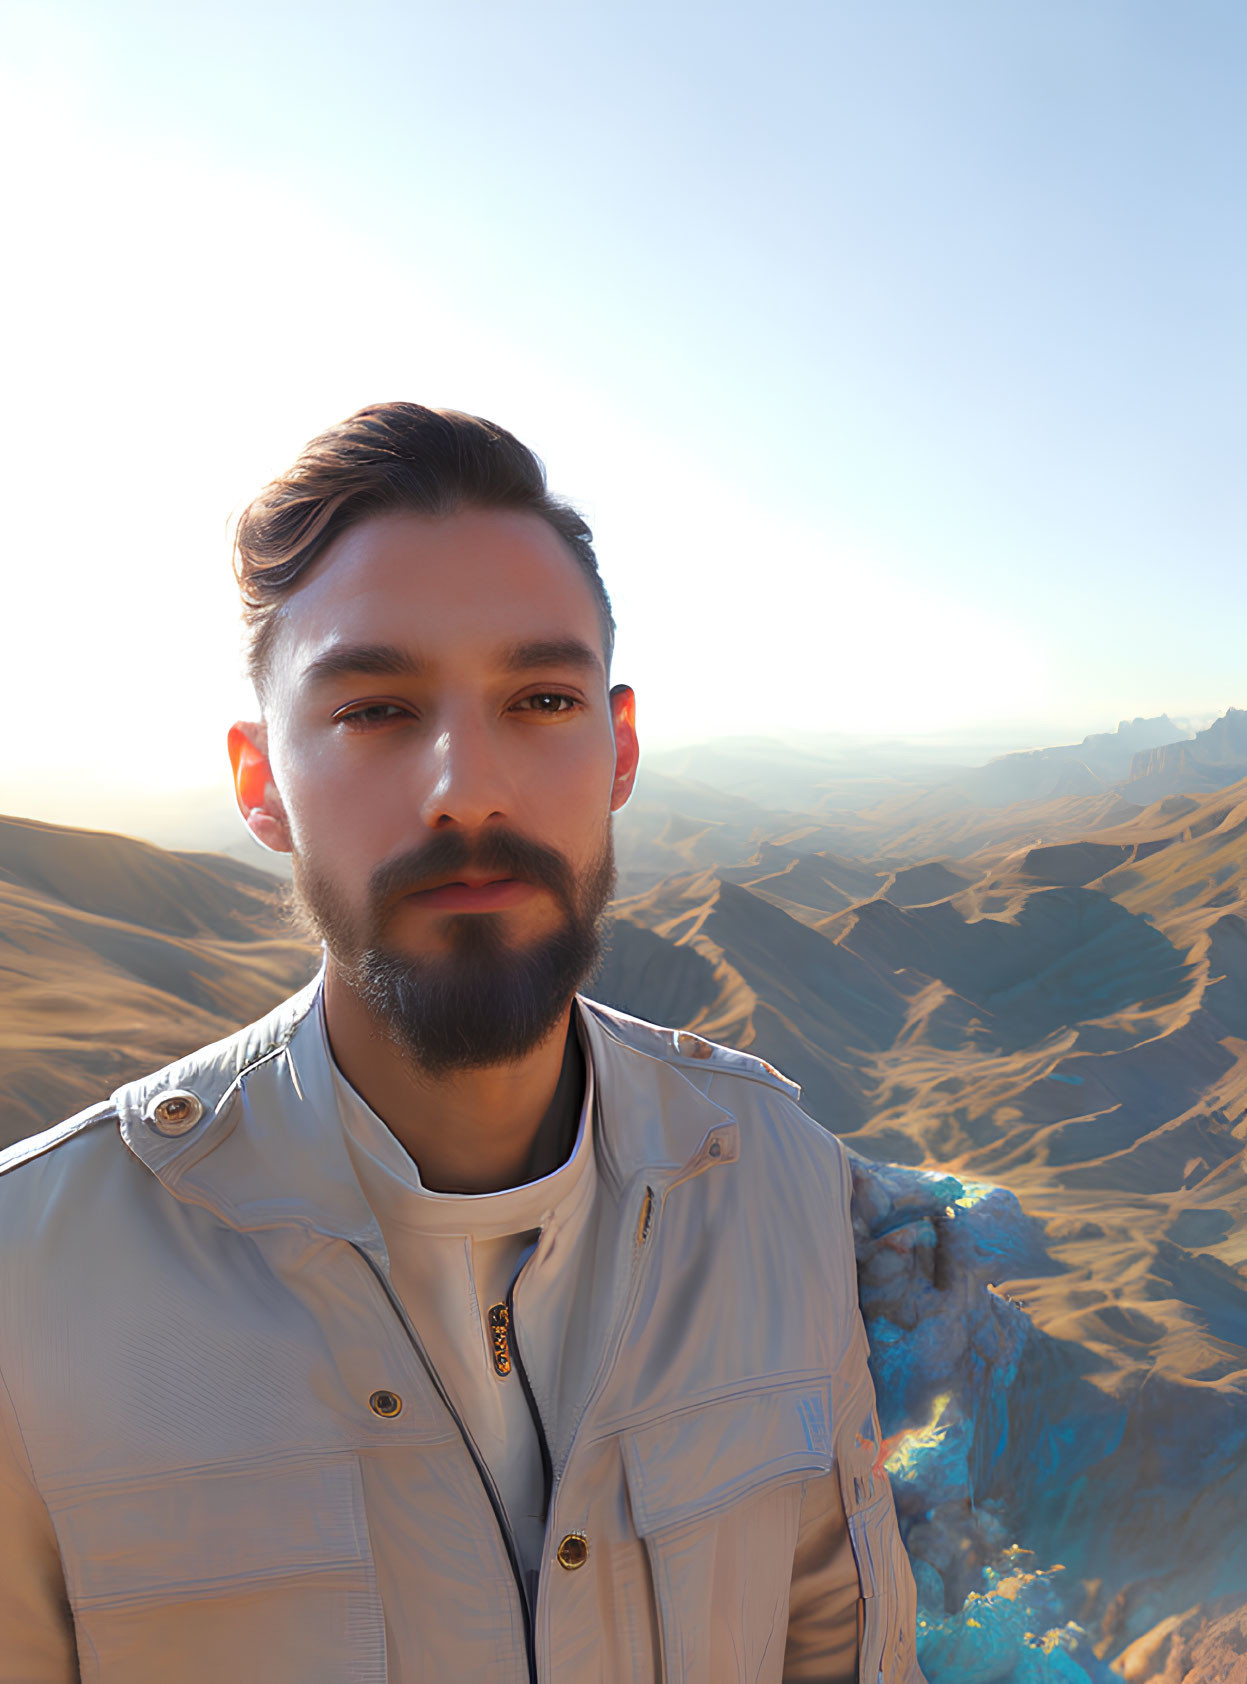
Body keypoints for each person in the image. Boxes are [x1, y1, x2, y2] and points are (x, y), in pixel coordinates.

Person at [0, 403, 924, 1682]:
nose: (466, 785)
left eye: (541, 698)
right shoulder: (31, 1285)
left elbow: (839, 1640)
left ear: (620, 750)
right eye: (375, 710)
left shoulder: (771, 1177)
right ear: (261, 782)